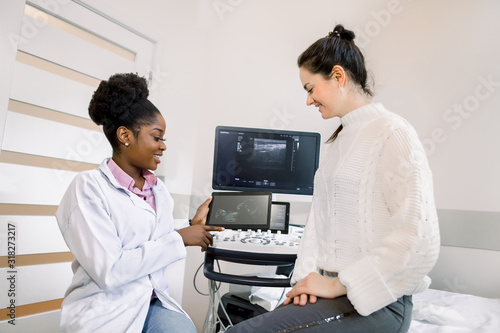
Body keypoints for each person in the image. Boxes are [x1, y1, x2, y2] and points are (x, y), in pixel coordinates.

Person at [226, 24, 440, 333]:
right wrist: (302, 285)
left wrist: (340, 283)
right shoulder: (339, 143)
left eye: (310, 89)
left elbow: (421, 243)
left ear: (338, 76)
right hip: (336, 293)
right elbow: (318, 228)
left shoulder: (393, 132)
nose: (308, 101)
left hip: (377, 302)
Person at [55, 73, 224, 332]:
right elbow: (110, 270)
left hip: (152, 301)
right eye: (157, 137)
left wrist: (191, 226)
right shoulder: (88, 188)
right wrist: (180, 238)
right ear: (125, 135)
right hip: (105, 310)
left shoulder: (158, 189)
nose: (163, 146)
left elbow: (151, 236)